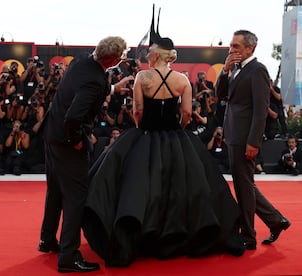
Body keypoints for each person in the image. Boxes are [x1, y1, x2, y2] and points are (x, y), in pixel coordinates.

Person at [82, 5, 245, 268]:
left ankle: (139, 234)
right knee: (186, 187)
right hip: (176, 138)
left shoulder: (142, 78)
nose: (146, 54)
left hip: (144, 135)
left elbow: (137, 111)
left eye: (148, 51)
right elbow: (187, 114)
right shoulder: (182, 79)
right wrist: (178, 130)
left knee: (136, 185)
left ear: (155, 54)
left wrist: (141, 126)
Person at [38, 35, 129, 273]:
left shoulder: (81, 61)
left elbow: (84, 85)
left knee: (56, 191)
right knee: (76, 198)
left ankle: (47, 239)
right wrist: (77, 140)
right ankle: (68, 256)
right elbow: (74, 116)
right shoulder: (96, 81)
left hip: (51, 134)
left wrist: (112, 88)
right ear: (113, 60)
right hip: (67, 142)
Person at [215, 29, 291, 250]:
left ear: (250, 48)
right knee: (245, 185)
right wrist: (225, 71)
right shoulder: (236, 69)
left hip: (245, 138)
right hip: (233, 134)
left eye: (236, 46)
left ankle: (249, 235)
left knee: (244, 187)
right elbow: (221, 94)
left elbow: (261, 110)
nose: (231, 49)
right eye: (230, 45)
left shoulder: (258, 70)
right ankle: (276, 221)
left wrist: (253, 142)